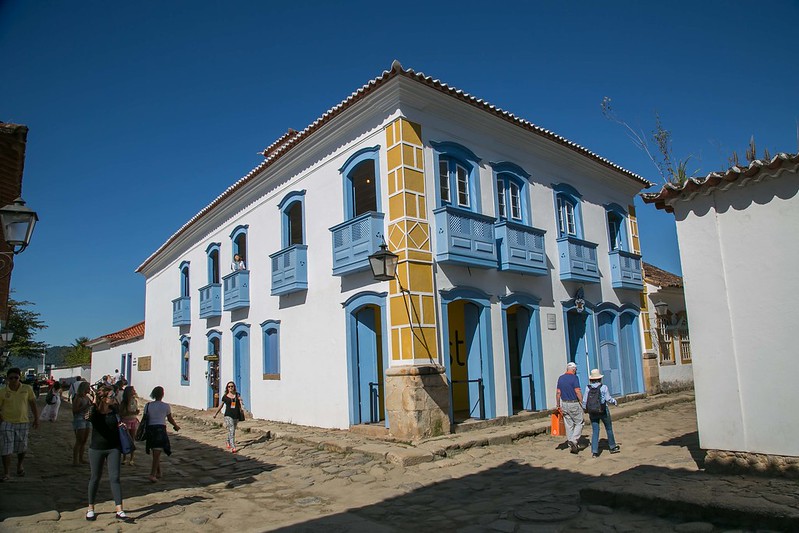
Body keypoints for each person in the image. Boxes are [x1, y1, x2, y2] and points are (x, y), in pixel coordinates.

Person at [85, 386, 133, 522]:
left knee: (115, 478)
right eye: (111, 396)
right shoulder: (95, 412)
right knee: (95, 477)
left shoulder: (115, 410)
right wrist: (94, 403)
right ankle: (90, 508)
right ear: (104, 399)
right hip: (97, 448)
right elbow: (87, 417)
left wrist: (121, 426)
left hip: (114, 448)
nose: (114, 398)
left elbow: (118, 422)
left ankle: (119, 509)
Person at [0, 367, 39, 481]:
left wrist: (37, 418)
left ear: (20, 377)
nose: (13, 380)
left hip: (23, 422)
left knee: (22, 447)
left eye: (16, 377)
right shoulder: (2, 391)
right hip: (7, 422)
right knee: (6, 448)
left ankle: (19, 465)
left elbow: (32, 404)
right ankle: (7, 473)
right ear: (7, 379)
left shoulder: (27, 389)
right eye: (11, 378)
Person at [144, 386, 180, 483]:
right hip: (160, 429)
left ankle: (159, 472)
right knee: (157, 452)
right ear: (162, 394)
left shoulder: (148, 405)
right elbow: (169, 418)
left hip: (150, 429)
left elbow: (145, 418)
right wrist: (175, 426)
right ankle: (152, 474)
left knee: (155, 452)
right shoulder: (165, 406)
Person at [583, 369, 621, 458]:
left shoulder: (587, 388)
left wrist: (585, 409)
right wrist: (614, 402)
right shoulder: (604, 387)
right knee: (608, 428)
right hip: (603, 410)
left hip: (592, 411)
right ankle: (612, 447)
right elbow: (608, 398)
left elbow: (585, 400)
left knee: (595, 431)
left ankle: (595, 451)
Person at [555, 362, 584, 454]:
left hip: (564, 403)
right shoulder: (574, 378)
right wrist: (582, 402)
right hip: (573, 403)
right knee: (579, 422)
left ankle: (571, 444)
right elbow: (577, 391)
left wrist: (558, 405)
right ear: (574, 369)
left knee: (569, 425)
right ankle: (574, 440)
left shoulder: (561, 378)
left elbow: (558, 392)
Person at [213, 381, 244, 453]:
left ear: (234, 387)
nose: (230, 388)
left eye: (232, 386)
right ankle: (233, 447)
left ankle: (227, 441)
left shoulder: (237, 395)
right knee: (232, 429)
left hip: (236, 415)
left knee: (231, 430)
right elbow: (221, 406)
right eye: (229, 386)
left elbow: (240, 403)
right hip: (228, 415)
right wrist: (216, 414)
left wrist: (242, 406)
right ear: (227, 388)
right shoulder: (225, 396)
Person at [118, 386, 140, 466]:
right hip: (125, 421)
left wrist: (135, 412)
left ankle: (131, 458)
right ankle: (124, 458)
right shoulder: (124, 402)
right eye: (133, 390)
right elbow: (122, 413)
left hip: (133, 420)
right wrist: (132, 413)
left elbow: (135, 410)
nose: (134, 391)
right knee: (126, 440)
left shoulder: (135, 401)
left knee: (132, 440)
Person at [72, 381, 92, 465]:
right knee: (79, 440)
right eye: (88, 388)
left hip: (87, 419)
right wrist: (84, 407)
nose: (89, 389)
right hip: (79, 419)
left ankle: (81, 458)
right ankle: (75, 460)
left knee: (84, 440)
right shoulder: (78, 398)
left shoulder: (87, 397)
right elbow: (75, 410)